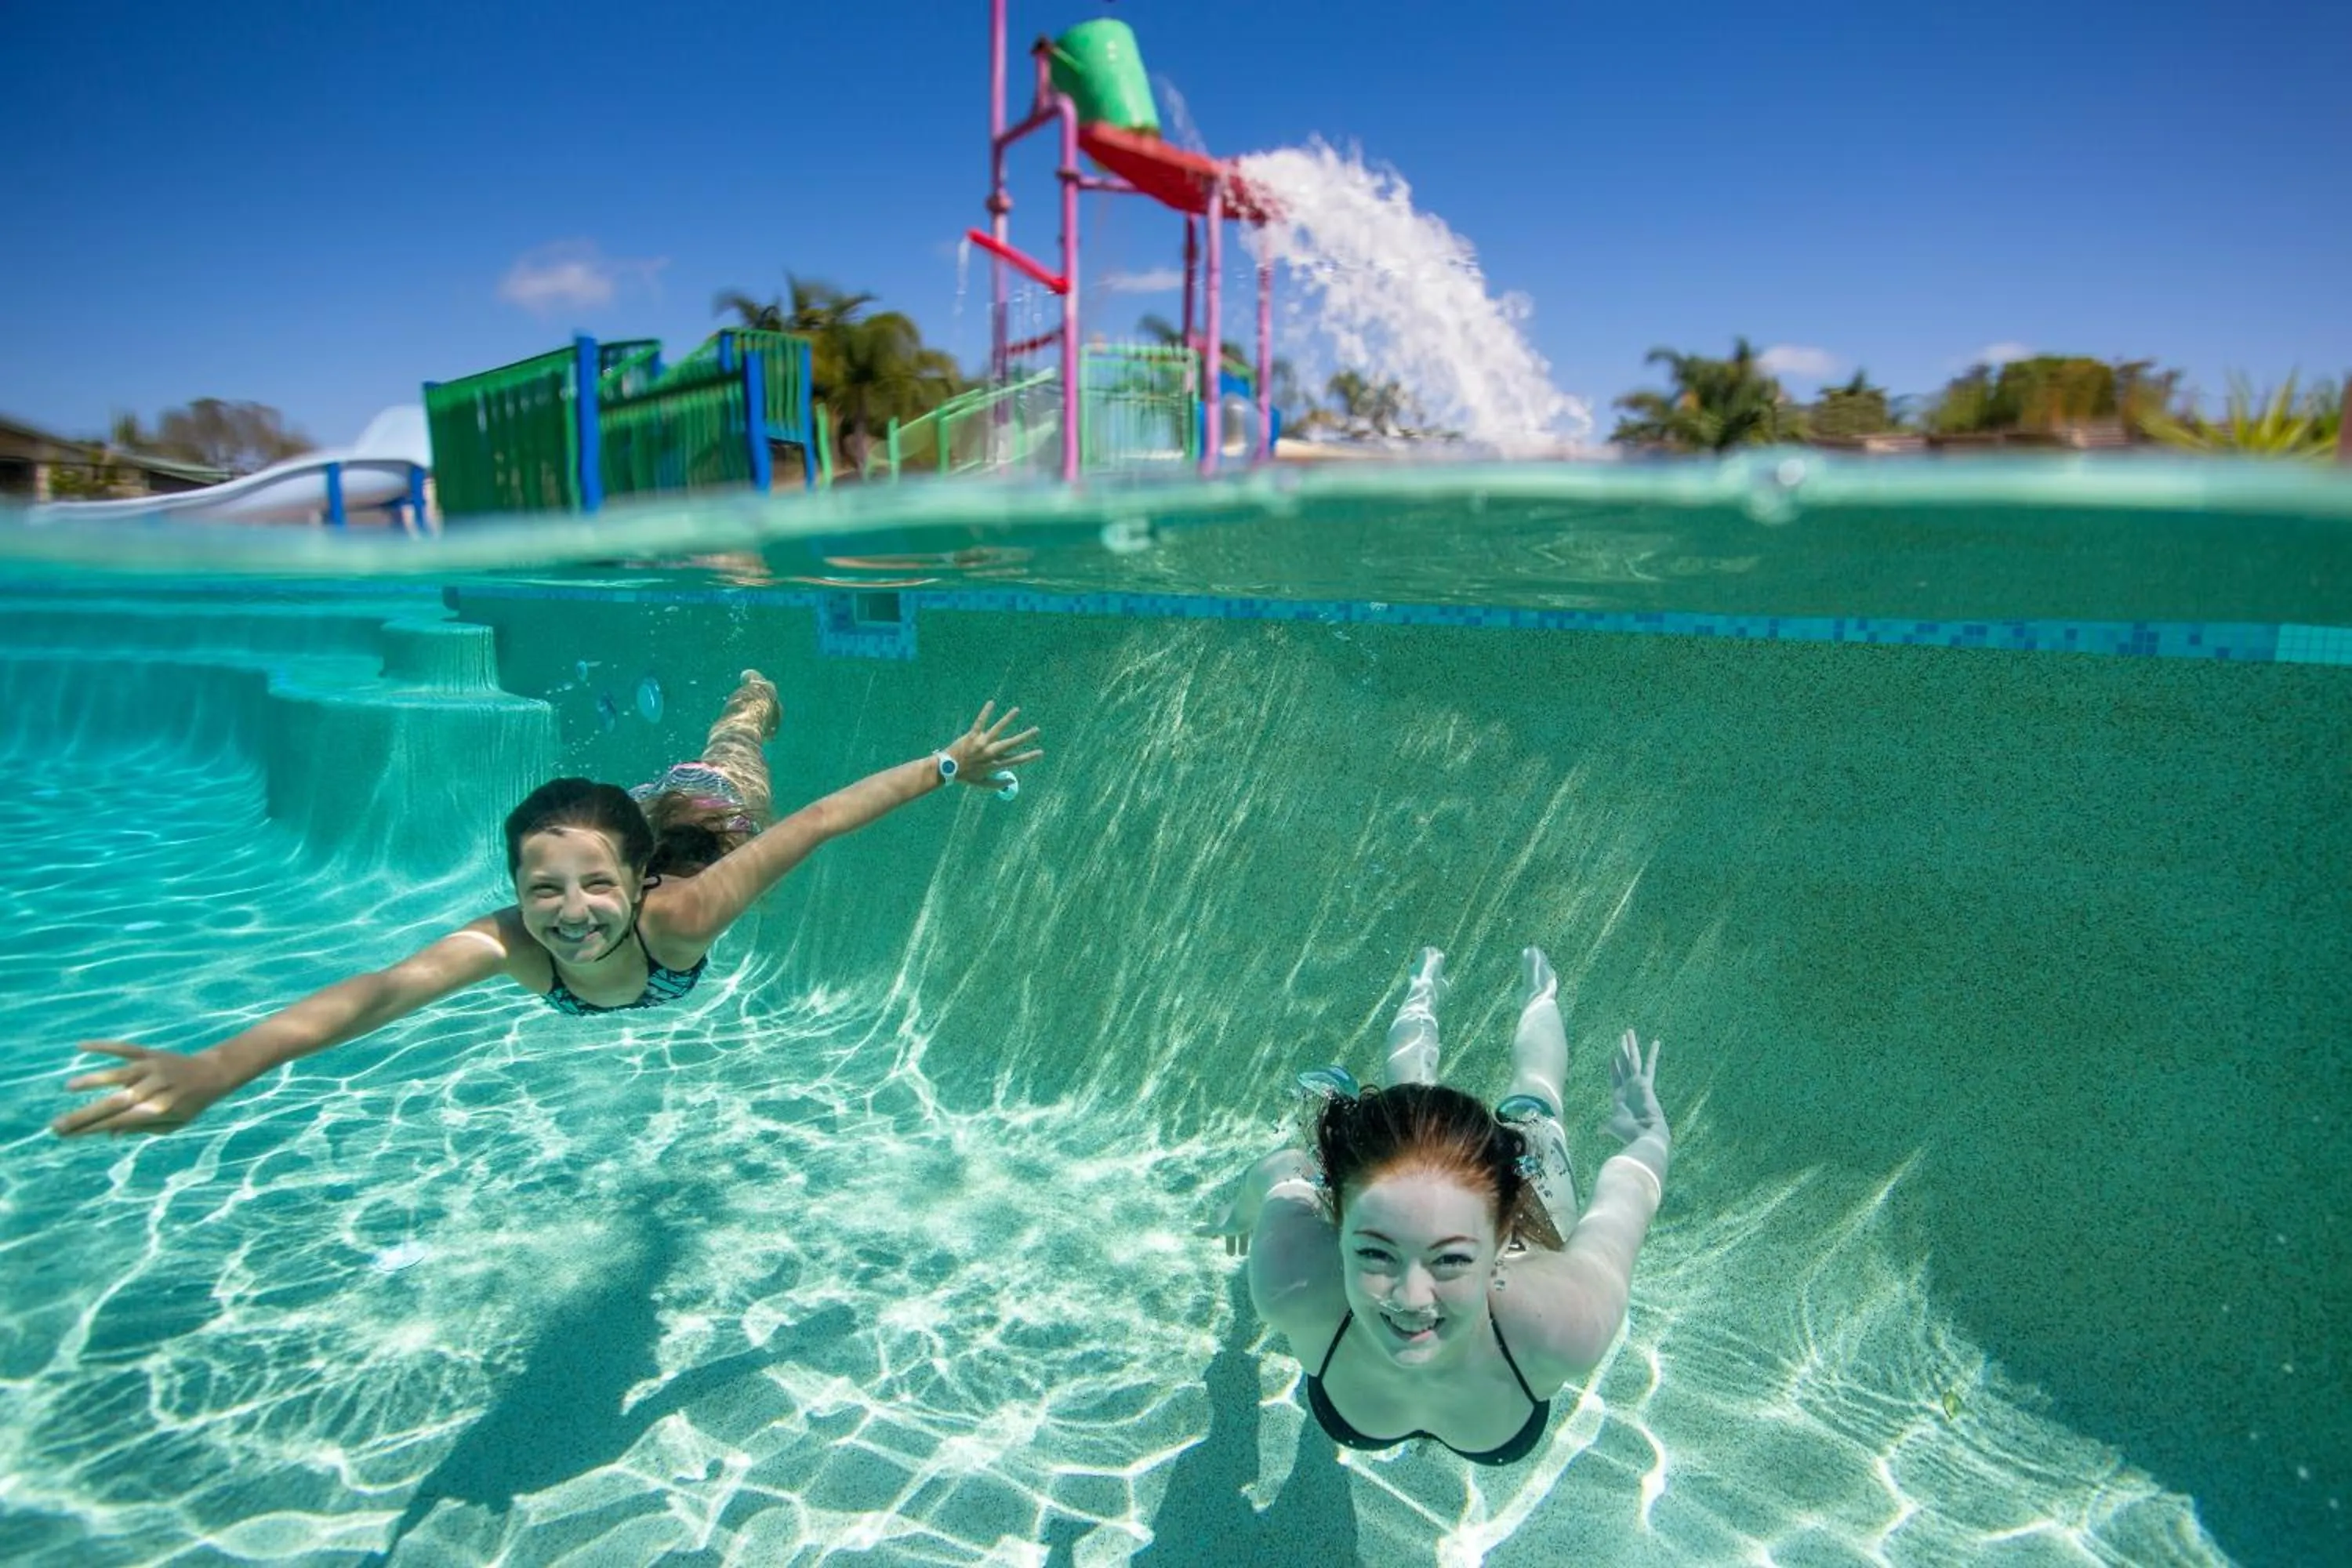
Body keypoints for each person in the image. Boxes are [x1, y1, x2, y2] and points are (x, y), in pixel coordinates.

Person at [50, 673, 1042, 1138]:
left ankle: (745, 707)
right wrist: (219, 1067)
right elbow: (381, 992)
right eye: (542, 891)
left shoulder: (682, 913)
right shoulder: (515, 942)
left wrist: (947, 764)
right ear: (518, 893)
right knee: (618, 816)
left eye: (595, 888)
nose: (570, 915)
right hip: (631, 822)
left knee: (729, 764)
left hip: (710, 821)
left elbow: (820, 821)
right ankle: (652, 791)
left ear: (637, 882)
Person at [1206, 946, 1670, 1466]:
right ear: (1338, 1227)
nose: (1410, 1298)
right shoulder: (1292, 1285)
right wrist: (1240, 1214)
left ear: (1500, 1241)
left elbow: (1629, 1191)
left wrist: (1649, 1135)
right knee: (1406, 1117)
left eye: (1450, 1258)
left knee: (1537, 1114)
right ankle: (1421, 987)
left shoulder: (1564, 1325)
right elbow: (1288, 1169)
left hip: (1526, 1219)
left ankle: (1540, 994)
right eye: (1376, 1253)